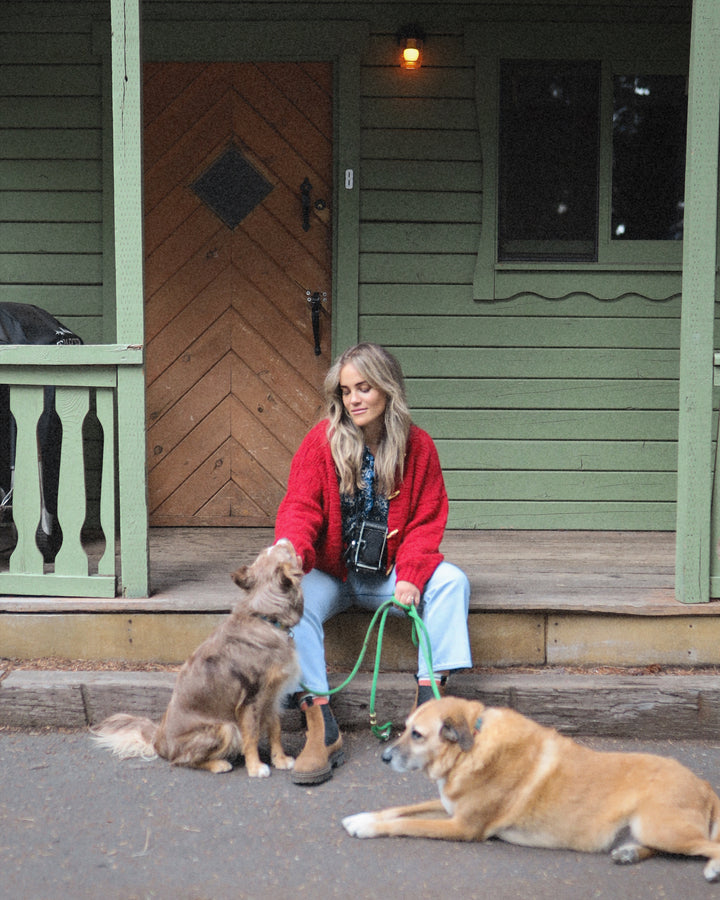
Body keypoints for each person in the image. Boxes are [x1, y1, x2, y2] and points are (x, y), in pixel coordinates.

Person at [275, 342, 471, 785]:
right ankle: (320, 727)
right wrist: (290, 553)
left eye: (364, 388)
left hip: (390, 575)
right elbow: (300, 509)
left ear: (388, 390)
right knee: (292, 596)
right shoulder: (319, 442)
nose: (354, 400)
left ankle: (430, 709)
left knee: (452, 582)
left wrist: (414, 576)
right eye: (346, 391)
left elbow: (426, 520)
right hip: (333, 573)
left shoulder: (418, 447)